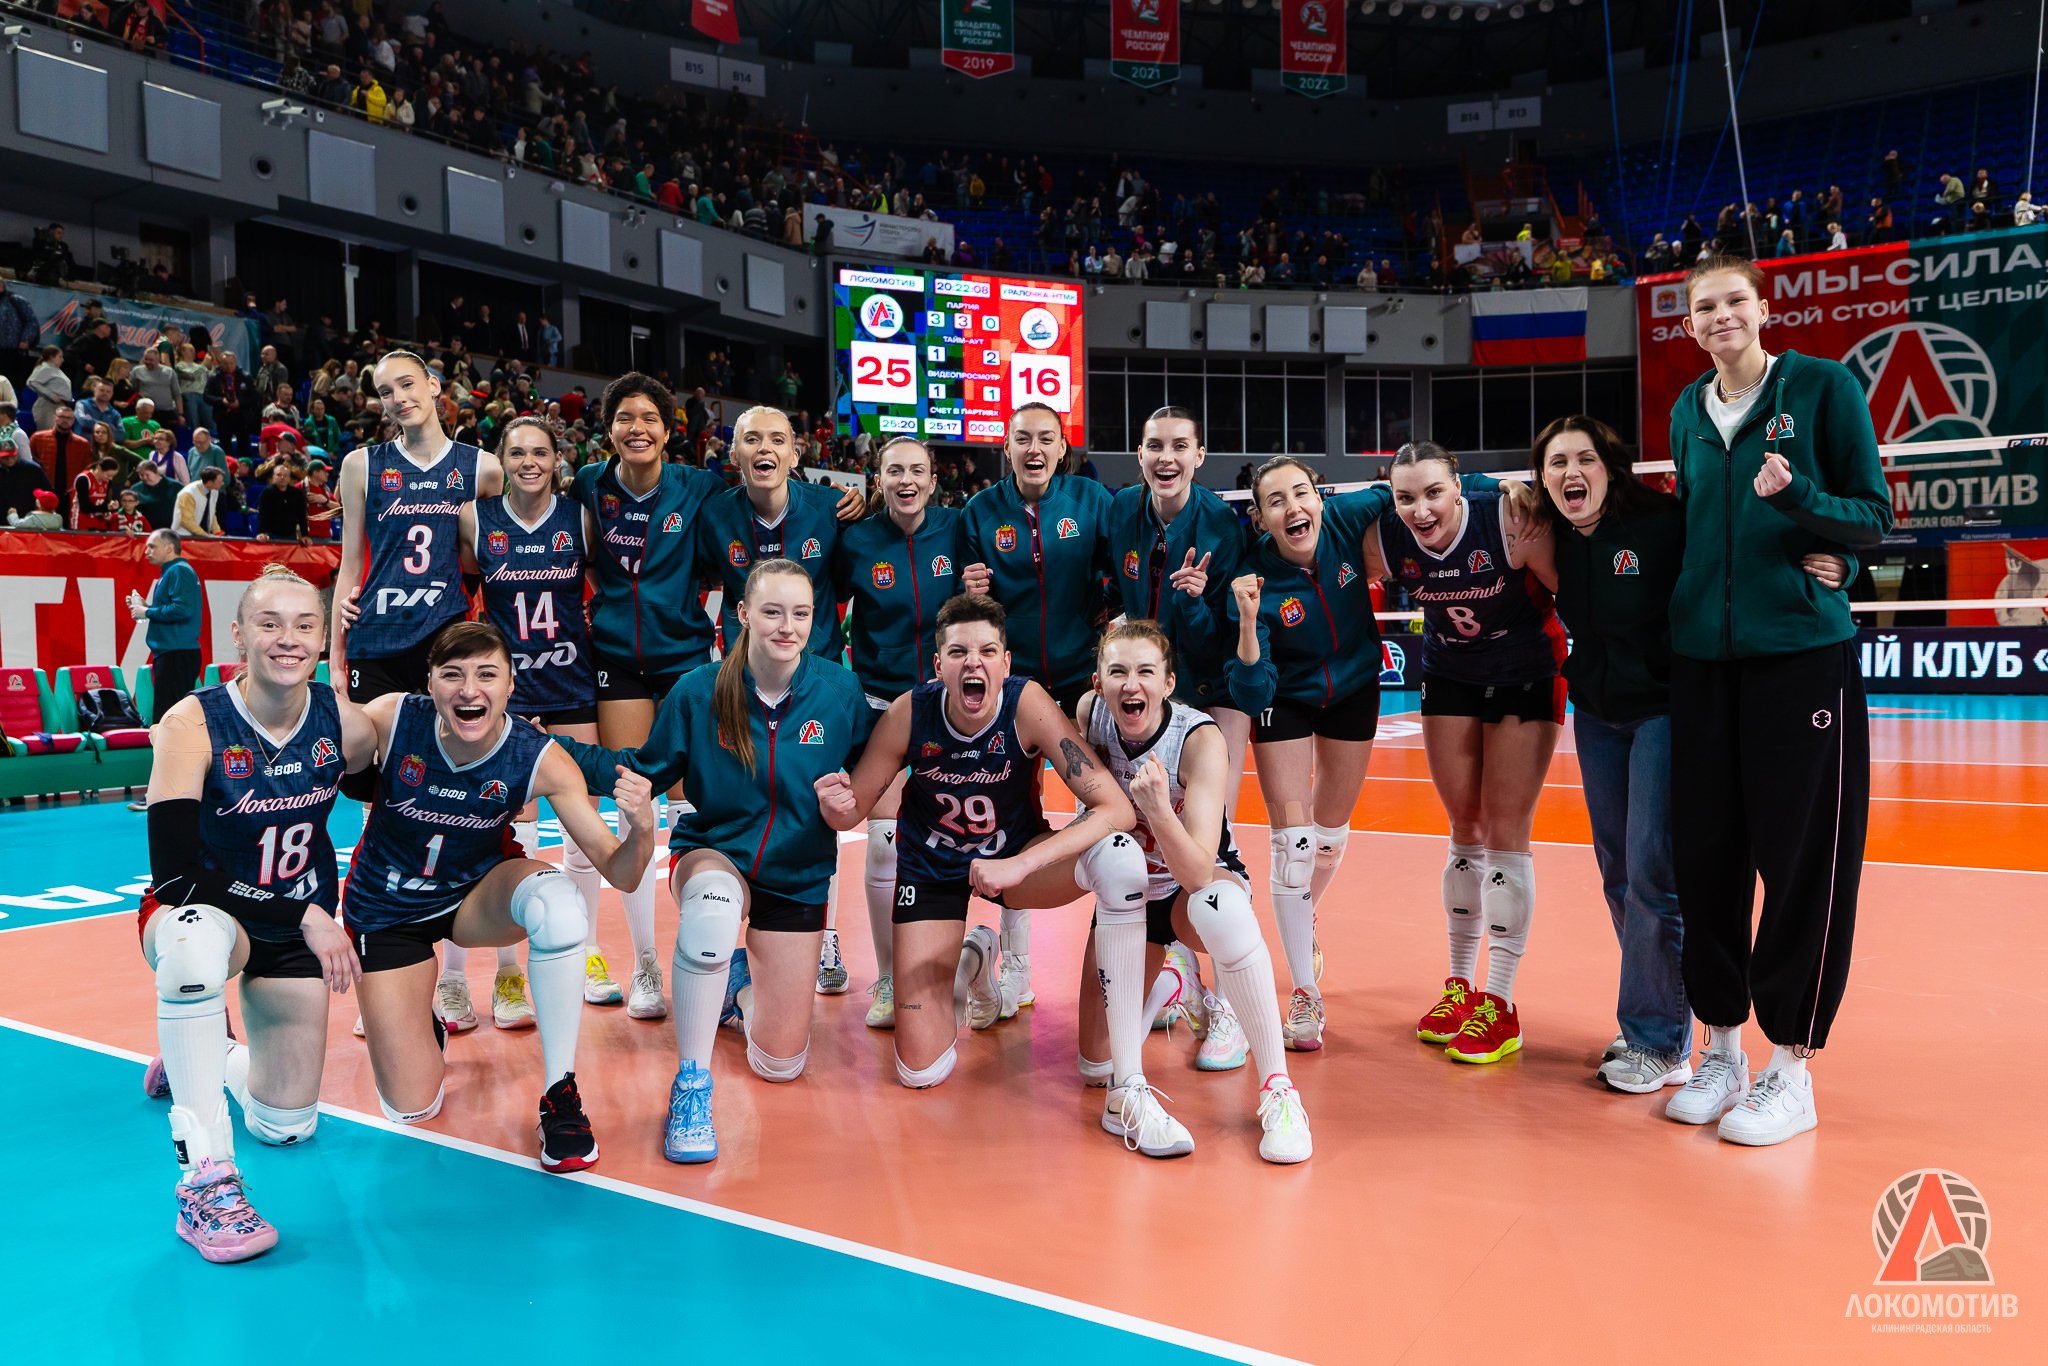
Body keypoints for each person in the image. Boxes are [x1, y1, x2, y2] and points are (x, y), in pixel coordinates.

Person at [819, 595, 1183, 1158]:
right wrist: (835, 803)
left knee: (1120, 857)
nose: (974, 662)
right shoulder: (909, 713)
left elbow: (1116, 808)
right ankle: (975, 959)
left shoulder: (1026, 704)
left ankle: (1126, 1085)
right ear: (937, 665)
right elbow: (852, 811)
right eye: (958, 652)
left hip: (1014, 862)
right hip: (932, 871)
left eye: (988, 651)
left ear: (1006, 662)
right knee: (920, 1070)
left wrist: (1020, 864)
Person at [1661, 255, 1889, 1145]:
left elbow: (1870, 516)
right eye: (1704, 307)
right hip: (1701, 663)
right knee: (1706, 859)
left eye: (1734, 301)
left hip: (1800, 656)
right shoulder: (1688, 410)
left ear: (1763, 309)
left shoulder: (1825, 388)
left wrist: (1801, 500)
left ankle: (1791, 1065)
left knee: (1802, 863)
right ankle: (1721, 1049)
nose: (1721, 315)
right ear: (1689, 326)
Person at [554, 561, 874, 1164]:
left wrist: (850, 801)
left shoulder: (839, 692)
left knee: (779, 1063)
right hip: (715, 852)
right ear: (743, 614)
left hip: (797, 876)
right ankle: (692, 1085)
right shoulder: (699, 691)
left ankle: (738, 990)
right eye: (772, 612)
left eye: (801, 614)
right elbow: (640, 768)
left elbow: (869, 773)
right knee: (712, 911)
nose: (787, 626)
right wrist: (546, 747)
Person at [345, 622, 657, 1169]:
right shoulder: (391, 719)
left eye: (487, 675)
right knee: (411, 1107)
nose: (470, 689)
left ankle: (561, 1093)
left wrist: (642, 830)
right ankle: (422, 1024)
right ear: (429, 682)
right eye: (453, 675)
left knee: (559, 907)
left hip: (473, 898)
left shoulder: (539, 757)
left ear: (512, 684)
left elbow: (621, 872)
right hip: (386, 910)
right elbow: (319, 738)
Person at [136, 564, 379, 1261]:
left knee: (285, 1125)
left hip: (294, 923)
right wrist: (302, 913)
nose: (287, 639)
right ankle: (204, 1181)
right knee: (192, 954)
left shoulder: (344, 722)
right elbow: (175, 875)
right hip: (203, 910)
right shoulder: (193, 721)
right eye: (269, 624)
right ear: (239, 635)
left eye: (304, 625)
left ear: (323, 640)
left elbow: (397, 782)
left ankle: (204, 1052)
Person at [1069, 622, 1311, 1162]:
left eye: (1145, 672)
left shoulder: (1199, 739)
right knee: (1095, 1066)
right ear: (1099, 682)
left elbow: (1200, 870)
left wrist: (1157, 810)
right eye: (1118, 672)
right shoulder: (1089, 716)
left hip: (1190, 887)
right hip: (1127, 894)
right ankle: (1174, 984)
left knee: (1221, 907)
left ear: (1168, 682)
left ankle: (1279, 1090)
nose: (1132, 684)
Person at [1362, 443, 1562, 1064]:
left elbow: (1577, 591)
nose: (1421, 510)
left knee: (1506, 832)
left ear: (1458, 487)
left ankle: (1500, 1002)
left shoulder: (1508, 518)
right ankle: (1460, 987)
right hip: (1449, 671)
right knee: (1464, 828)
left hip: (1525, 668)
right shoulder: (1387, 538)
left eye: (1434, 493)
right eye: (1405, 497)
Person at [1224, 457, 1389, 1050]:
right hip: (1284, 696)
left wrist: (1493, 487)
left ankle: (1303, 913)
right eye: (1276, 500)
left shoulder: (1346, 517)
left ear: (1320, 499)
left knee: (1328, 838)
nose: (1293, 507)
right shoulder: (1252, 579)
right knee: (1292, 847)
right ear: (1260, 518)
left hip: (1354, 687)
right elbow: (1251, 693)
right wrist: (1248, 624)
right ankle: (1304, 990)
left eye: (1301, 493)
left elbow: (1411, 483)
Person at [958, 403, 1114, 1019]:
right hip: (1014, 681)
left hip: (1079, 675)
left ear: (1061, 447)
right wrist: (968, 588)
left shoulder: (1092, 501)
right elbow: (962, 601)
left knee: (1102, 812)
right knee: (1012, 817)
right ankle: (1016, 967)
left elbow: (1117, 571)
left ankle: (1120, 957)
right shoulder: (979, 511)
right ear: (1007, 446)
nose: (1034, 449)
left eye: (1046, 438)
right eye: (1022, 438)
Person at [694, 405, 855, 995]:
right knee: (748, 803)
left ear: (795, 454)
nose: (765, 449)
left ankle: (824, 932)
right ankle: (730, 934)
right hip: (743, 685)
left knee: (817, 806)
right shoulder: (714, 514)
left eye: (777, 439)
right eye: (751, 439)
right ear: (734, 453)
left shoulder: (832, 510)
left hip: (816, 688)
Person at [461, 416, 604, 1022]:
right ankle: (508, 972)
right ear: (502, 459)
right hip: (508, 694)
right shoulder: (476, 519)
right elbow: (458, 589)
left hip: (570, 683)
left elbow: (602, 587)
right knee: (507, 830)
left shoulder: (579, 518)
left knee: (581, 826)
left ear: (556, 460)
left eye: (540, 452)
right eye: (517, 452)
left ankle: (587, 951)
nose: (529, 462)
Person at [828, 436, 963, 1026]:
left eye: (916, 470)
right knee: (885, 842)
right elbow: (823, 606)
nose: (906, 480)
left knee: (958, 840)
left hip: (948, 708)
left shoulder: (958, 529)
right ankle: (886, 978)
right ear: (877, 480)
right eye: (894, 471)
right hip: (879, 705)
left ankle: (986, 963)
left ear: (933, 480)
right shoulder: (855, 540)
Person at [331, 350, 502, 703]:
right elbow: (350, 565)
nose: (398, 398)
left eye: (407, 384)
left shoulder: (483, 468)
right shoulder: (360, 465)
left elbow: (488, 565)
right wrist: (336, 660)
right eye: (386, 391)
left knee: (447, 737)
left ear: (433, 385)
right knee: (369, 739)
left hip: (445, 633)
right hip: (375, 631)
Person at [130, 529, 204, 723]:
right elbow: (179, 608)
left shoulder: (178, 570)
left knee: (169, 720)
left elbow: (183, 609)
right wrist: (148, 608)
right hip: (173, 654)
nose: (147, 551)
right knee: (169, 718)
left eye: (152, 546)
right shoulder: (174, 571)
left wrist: (147, 612)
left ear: (169, 548)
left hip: (176, 655)